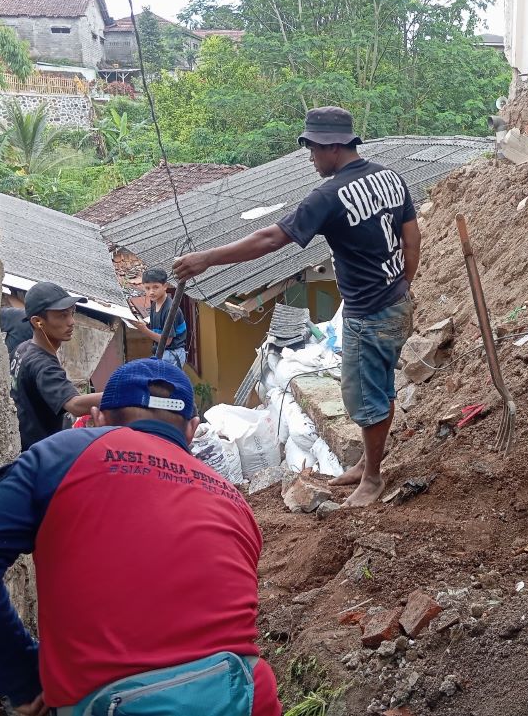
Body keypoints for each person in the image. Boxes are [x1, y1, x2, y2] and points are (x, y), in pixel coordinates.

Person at [0, 359, 282, 716]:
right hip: (250, 699)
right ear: (191, 430)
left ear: (98, 419)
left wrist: (22, 679)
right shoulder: (234, 499)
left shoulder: (62, 453)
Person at [175, 106, 421, 507]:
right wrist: (404, 283)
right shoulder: (390, 177)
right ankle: (367, 463)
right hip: (396, 305)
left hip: (369, 314)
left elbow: (270, 238)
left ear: (333, 147)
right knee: (379, 389)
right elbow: (412, 238)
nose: (310, 158)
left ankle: (373, 478)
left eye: (313, 149)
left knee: (365, 398)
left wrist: (207, 258)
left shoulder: (329, 195)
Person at [11, 282, 102, 451]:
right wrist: (121, 392)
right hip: (42, 455)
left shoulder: (23, 348)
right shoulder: (42, 364)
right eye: (62, 316)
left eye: (72, 313)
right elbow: (75, 405)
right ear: (38, 322)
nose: (71, 322)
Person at [132, 267, 188, 368]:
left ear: (165, 286)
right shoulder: (154, 304)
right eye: (147, 288)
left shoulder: (170, 310)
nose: (151, 292)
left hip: (172, 353)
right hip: (162, 351)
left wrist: (144, 330)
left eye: (155, 287)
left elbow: (167, 341)